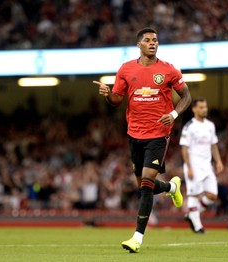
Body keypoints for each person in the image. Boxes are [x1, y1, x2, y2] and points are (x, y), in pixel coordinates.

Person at [93, 27, 191, 253]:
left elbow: (186, 95)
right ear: (139, 44)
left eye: (155, 40)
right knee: (143, 186)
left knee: (146, 184)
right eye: (147, 40)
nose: (152, 43)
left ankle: (137, 238)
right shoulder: (126, 69)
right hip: (134, 134)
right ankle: (171, 187)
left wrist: (174, 115)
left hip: (158, 134)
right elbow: (117, 100)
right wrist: (108, 94)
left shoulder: (168, 70)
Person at [179, 98, 224, 233]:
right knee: (193, 195)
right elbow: (184, 148)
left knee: (212, 195)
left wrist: (219, 161)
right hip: (194, 164)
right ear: (194, 109)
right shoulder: (189, 127)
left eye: (205, 107)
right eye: (201, 107)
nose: (204, 109)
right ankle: (198, 226)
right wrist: (189, 166)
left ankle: (192, 213)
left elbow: (213, 144)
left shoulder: (210, 125)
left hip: (207, 165)